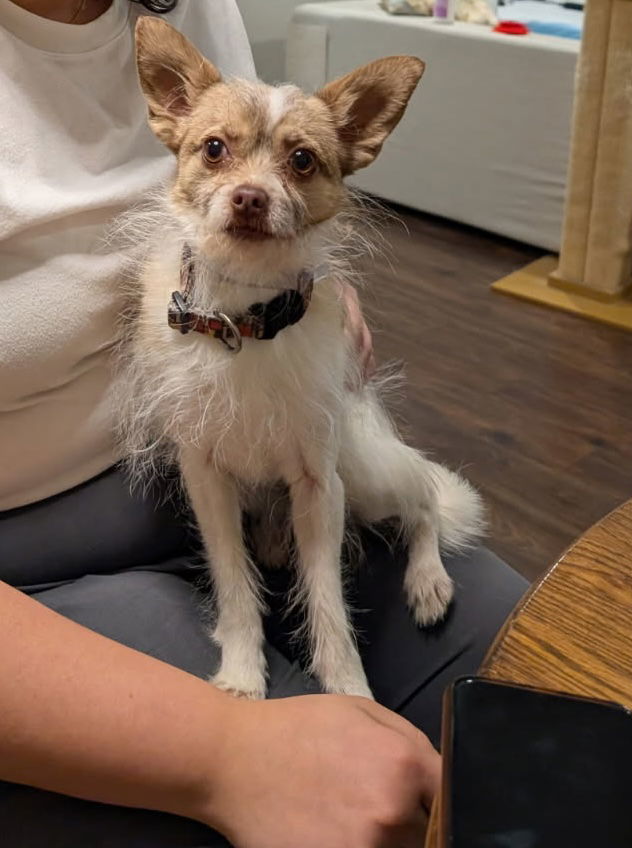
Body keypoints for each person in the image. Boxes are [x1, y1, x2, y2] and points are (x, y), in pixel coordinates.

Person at [0, 1, 528, 846]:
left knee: (527, 664)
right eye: (217, 150)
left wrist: (307, 291)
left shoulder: (187, 7)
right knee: (339, 782)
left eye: (293, 161)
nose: (248, 181)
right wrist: (227, 758)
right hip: (35, 566)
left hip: (246, 473)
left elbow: (279, 183)